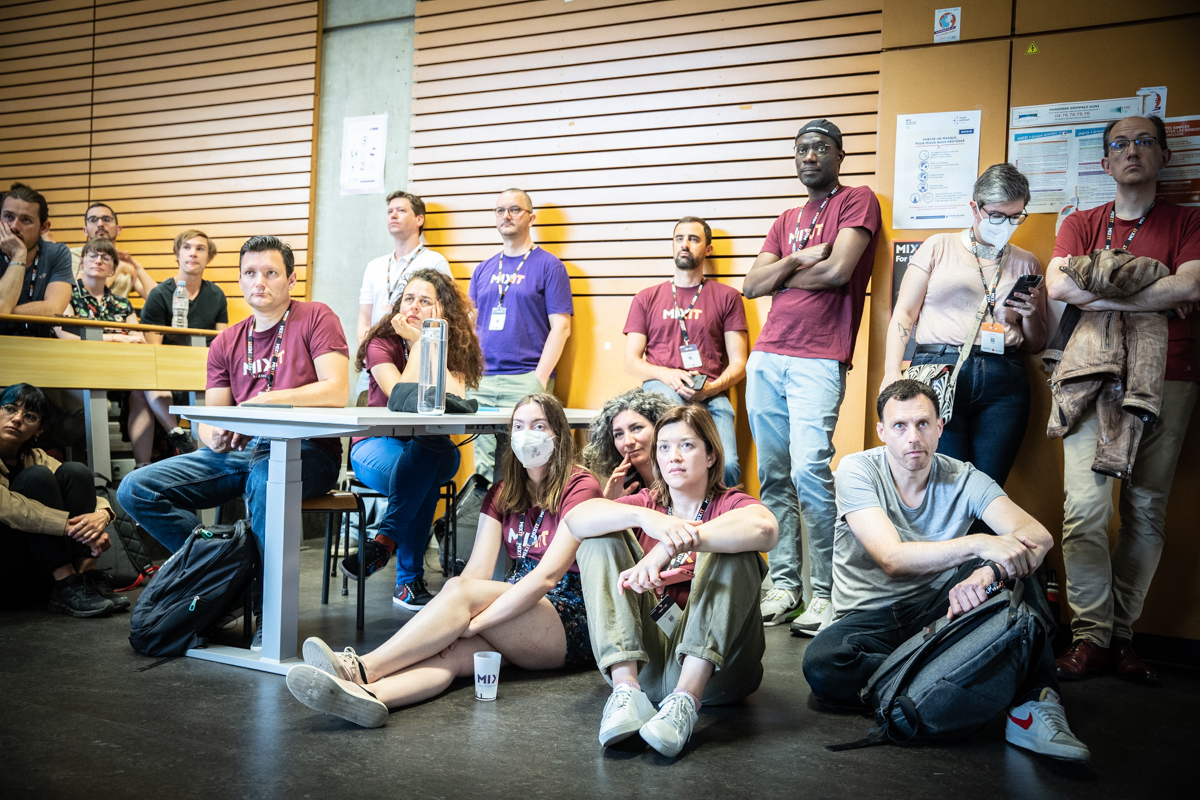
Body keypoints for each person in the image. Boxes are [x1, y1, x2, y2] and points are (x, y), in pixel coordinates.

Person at [801, 380, 1089, 763]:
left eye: (923, 423)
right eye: (900, 426)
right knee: (823, 664)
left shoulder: (963, 477)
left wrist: (989, 571)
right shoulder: (857, 470)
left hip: (940, 613)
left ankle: (1034, 704)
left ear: (940, 427)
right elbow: (892, 558)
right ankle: (958, 675)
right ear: (882, 432)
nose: (913, 437)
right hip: (869, 622)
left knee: (1018, 564)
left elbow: (1038, 536)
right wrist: (979, 544)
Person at [286, 394, 601, 727]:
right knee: (450, 654)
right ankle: (369, 696)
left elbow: (547, 577)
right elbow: (477, 572)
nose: (527, 435)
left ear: (558, 435)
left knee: (459, 596)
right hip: (519, 608)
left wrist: (474, 622)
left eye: (539, 426)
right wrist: (451, 626)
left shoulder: (580, 486)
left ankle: (363, 668)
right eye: (519, 427)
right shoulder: (503, 492)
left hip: (568, 616)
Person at [118, 235, 348, 649]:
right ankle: (229, 573)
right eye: (250, 273)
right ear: (240, 280)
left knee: (266, 478)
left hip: (308, 449)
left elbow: (336, 390)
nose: (259, 281)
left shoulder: (316, 317)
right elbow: (212, 421)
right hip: (241, 451)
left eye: (271, 272)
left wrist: (265, 401)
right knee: (136, 488)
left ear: (291, 279)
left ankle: (266, 614)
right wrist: (216, 434)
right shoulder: (225, 341)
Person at [1046, 115, 1200, 683]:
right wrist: (1153, 293)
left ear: (1162, 155)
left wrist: (1101, 293)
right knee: (1084, 510)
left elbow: (1192, 284)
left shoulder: (1188, 220)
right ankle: (1090, 638)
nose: (1132, 150)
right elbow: (1058, 285)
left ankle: (1121, 637)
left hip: (1170, 374)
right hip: (1089, 374)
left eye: (1144, 141)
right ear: (1106, 161)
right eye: (1120, 143)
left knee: (1146, 508)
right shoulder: (1080, 222)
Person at [565, 404, 777, 758]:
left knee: (736, 548)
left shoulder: (730, 502)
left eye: (687, 445)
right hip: (648, 665)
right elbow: (576, 519)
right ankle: (626, 691)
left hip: (719, 674)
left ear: (711, 455)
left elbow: (765, 529)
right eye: (663, 447)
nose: (673, 457)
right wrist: (643, 518)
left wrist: (668, 548)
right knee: (598, 539)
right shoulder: (647, 504)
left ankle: (685, 701)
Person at [741, 119, 882, 632]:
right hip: (767, 356)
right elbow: (751, 285)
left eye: (821, 148)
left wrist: (780, 273)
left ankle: (826, 592)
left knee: (809, 473)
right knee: (774, 474)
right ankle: (784, 585)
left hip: (819, 357)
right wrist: (799, 259)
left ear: (839, 155)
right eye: (801, 149)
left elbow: (838, 271)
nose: (809, 156)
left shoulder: (857, 200)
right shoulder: (786, 219)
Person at [882, 163, 1047, 486]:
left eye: (1015, 217)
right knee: (943, 480)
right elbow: (904, 313)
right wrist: (891, 373)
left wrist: (1030, 315)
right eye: (996, 216)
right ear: (975, 208)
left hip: (1004, 375)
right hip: (938, 368)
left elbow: (1035, 343)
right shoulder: (938, 246)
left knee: (988, 486)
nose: (1006, 225)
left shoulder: (1026, 261)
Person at [340, 268, 484, 609]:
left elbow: (457, 400)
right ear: (397, 305)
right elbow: (399, 398)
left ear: (442, 310)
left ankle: (384, 543)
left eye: (425, 301)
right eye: (408, 299)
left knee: (427, 461)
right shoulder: (381, 343)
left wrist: (432, 341)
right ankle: (407, 582)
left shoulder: (452, 347)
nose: (414, 306)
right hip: (376, 445)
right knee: (423, 479)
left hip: (432, 447)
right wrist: (419, 344)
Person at [624, 216, 748, 487]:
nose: (685, 244)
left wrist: (712, 389)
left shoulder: (727, 297)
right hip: (661, 387)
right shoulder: (646, 297)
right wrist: (666, 375)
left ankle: (718, 512)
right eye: (679, 238)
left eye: (693, 239)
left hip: (710, 393)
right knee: (677, 454)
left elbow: (739, 363)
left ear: (708, 249)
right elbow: (631, 361)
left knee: (727, 465)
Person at [467, 188, 573, 481]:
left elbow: (562, 327)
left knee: (528, 464)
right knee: (484, 468)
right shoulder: (483, 269)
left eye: (514, 209)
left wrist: (539, 377)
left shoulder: (550, 266)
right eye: (500, 210)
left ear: (531, 218)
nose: (506, 216)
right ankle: (488, 512)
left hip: (526, 379)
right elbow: (470, 328)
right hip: (482, 382)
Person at [0, 383, 125, 617]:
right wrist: (70, 526)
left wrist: (101, 517)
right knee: (37, 477)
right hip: (6, 568)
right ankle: (65, 580)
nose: (17, 419)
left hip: (38, 564)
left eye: (29, 416)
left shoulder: (35, 456)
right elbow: (6, 508)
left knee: (75, 471)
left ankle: (86, 578)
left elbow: (84, 489)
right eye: (9, 409)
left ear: (39, 430)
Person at [130, 229, 230, 466]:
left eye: (200, 248)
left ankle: (210, 458)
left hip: (203, 370)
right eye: (187, 247)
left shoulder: (216, 295)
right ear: (177, 254)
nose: (193, 253)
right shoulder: (159, 294)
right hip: (166, 372)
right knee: (143, 385)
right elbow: (154, 351)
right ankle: (173, 439)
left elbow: (222, 342)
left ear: (208, 257)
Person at [355, 190, 452, 399]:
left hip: (416, 353)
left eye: (401, 210)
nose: (393, 215)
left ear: (419, 219)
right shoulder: (375, 266)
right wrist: (369, 352)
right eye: (390, 211)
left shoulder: (435, 261)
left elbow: (445, 313)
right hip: (378, 358)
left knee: (406, 403)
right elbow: (364, 318)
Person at [0, 182, 73, 337]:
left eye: (26, 220)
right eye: (8, 217)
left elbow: (54, 307)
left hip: (39, 345)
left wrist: (19, 253)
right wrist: (19, 254)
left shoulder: (57, 253)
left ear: (44, 228)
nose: (14, 226)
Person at [581, 386, 672, 501]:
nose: (628, 442)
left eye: (636, 428)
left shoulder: (685, 481)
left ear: (660, 427)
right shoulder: (625, 490)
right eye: (619, 434)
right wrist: (610, 503)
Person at [54, 238, 144, 342]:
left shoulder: (124, 304)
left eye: (106, 257)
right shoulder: (66, 296)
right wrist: (113, 337)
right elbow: (67, 335)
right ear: (81, 262)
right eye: (92, 256)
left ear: (113, 269)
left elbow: (139, 339)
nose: (98, 261)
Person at [69, 202, 158, 300]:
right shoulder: (75, 255)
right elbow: (82, 294)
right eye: (93, 220)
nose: (100, 224)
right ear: (85, 231)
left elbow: (159, 300)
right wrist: (118, 268)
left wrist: (137, 268)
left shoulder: (124, 262)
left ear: (118, 229)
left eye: (106, 219)